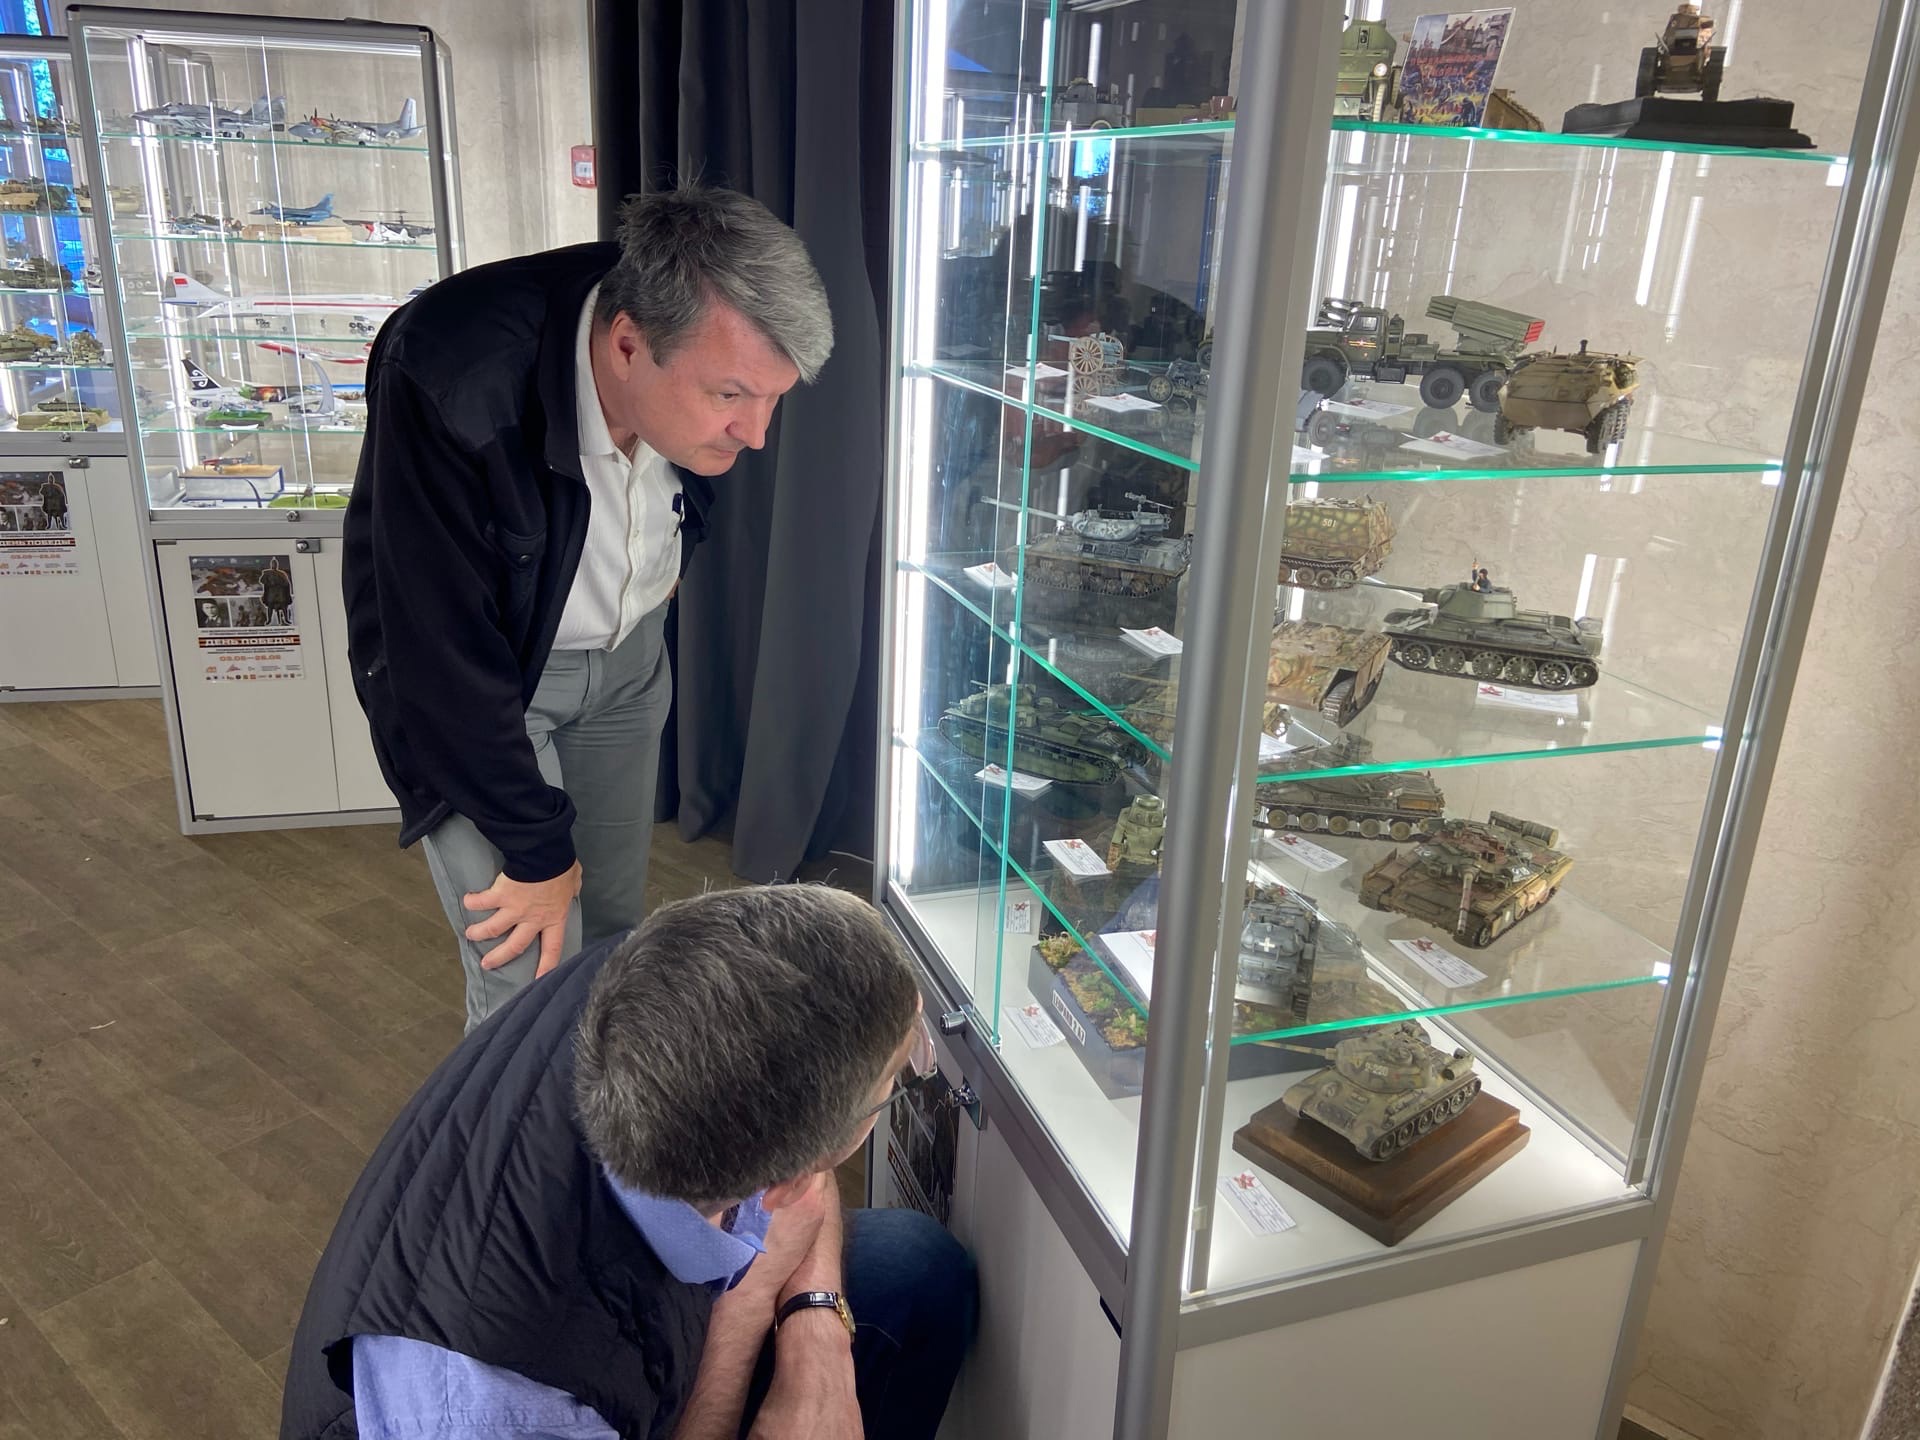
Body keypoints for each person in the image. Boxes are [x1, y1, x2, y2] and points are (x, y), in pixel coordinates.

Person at [343, 183, 834, 1031]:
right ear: (627, 344)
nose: (757, 434)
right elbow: (436, 651)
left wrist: (657, 571)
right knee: (529, 982)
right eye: (730, 397)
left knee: (611, 941)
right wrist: (535, 851)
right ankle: (516, 1123)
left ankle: (600, 1114)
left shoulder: (686, 315)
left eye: (773, 398)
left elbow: (685, 489)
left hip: (630, 667)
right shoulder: (450, 372)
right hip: (490, 689)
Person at [279, 885, 976, 1440]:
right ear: (783, 1181)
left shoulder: (655, 981)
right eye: (897, 1078)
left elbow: (807, 1174)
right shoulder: (508, 1412)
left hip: (614, 1323)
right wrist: (750, 1305)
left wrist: (815, 1335)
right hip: (543, 1373)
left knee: (917, 1268)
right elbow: (804, 1185)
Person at [258, 557, 293, 625]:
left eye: (275, 564)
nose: (274, 565)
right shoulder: (267, 572)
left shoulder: (281, 573)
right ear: (271, 564)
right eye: (273, 564)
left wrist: (280, 583)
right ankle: (269, 620)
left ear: (277, 565)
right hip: (271, 591)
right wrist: (269, 583)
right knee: (270, 605)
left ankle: (286, 619)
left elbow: (286, 583)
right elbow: (262, 580)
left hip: (280, 591)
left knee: (283, 604)